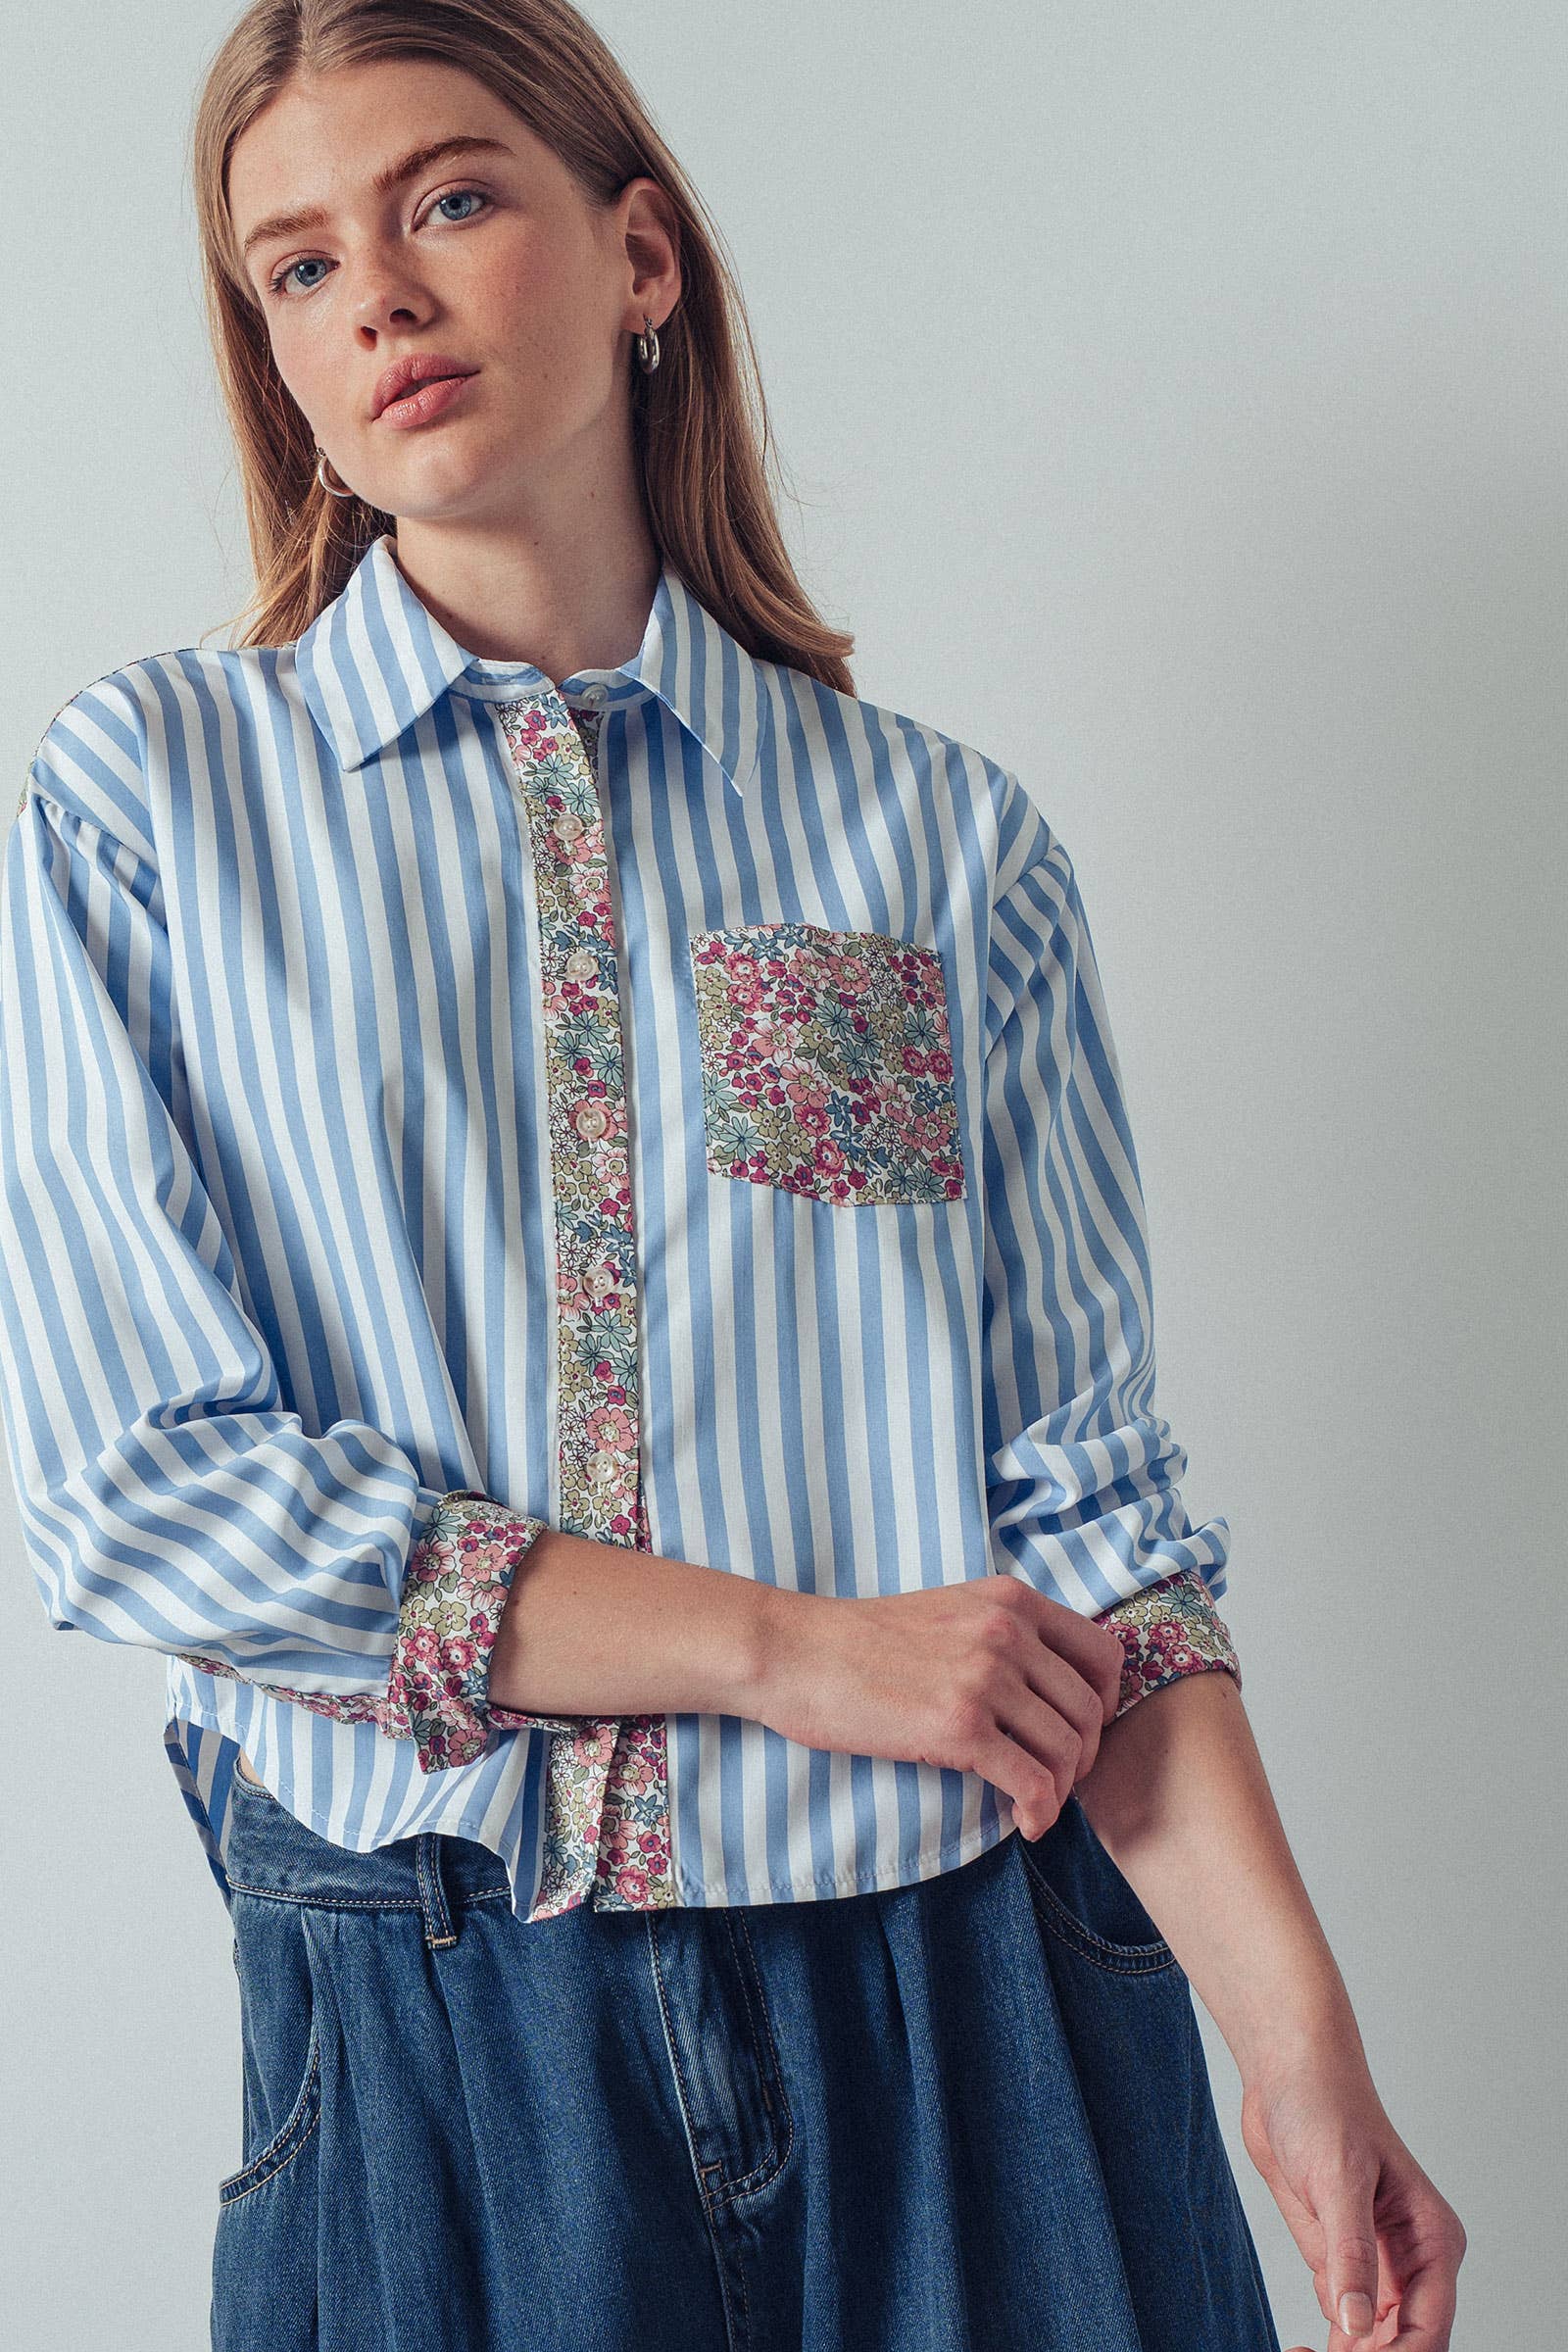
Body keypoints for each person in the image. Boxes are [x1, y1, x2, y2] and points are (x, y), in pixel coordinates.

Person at [0, 3, 1466, 2347]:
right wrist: (792, 1651)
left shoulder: (935, 843)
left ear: (640, 254)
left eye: (447, 198)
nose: (377, 296)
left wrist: (1295, 2039)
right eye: (296, 265)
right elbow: (143, 1495)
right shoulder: (147, 806)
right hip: (442, 2034)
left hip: (976, 2014)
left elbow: (1089, 1515)